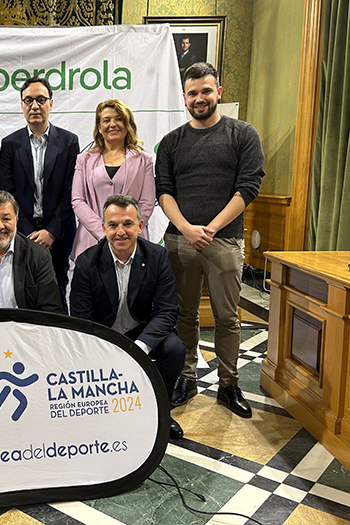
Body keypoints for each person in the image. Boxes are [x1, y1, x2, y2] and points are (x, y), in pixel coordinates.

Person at [155, 62, 265, 418]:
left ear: (218, 92)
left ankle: (229, 384)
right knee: (184, 315)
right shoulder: (171, 142)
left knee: (227, 317)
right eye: (192, 93)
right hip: (180, 241)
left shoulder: (243, 134)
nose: (199, 98)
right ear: (184, 97)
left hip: (225, 241)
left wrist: (211, 228)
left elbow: (248, 187)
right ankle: (186, 378)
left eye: (205, 91)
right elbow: (163, 191)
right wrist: (187, 228)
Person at [71, 194, 186, 439]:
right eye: (113, 225)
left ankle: (160, 411)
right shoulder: (86, 263)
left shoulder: (157, 257)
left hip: (141, 333)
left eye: (128, 224)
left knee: (174, 348)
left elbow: (167, 310)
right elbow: (81, 319)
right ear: (103, 228)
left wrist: (141, 346)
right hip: (102, 335)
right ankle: (102, 412)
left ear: (140, 226)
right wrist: (108, 347)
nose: (120, 231)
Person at [0, 76, 79, 313]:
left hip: (59, 232)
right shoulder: (10, 144)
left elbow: (71, 192)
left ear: (51, 103)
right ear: (22, 105)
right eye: (28, 100)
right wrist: (29, 233)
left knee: (57, 291)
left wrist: (51, 232)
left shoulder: (69, 141)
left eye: (41, 100)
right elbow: (7, 194)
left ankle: (58, 335)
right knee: (22, 291)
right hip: (22, 232)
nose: (34, 106)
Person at [71, 99, 155, 261]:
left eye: (119, 119)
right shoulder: (83, 160)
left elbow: (147, 202)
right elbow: (77, 200)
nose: (113, 124)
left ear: (127, 124)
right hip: (91, 240)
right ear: (99, 127)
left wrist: (128, 230)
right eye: (106, 120)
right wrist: (104, 232)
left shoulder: (144, 160)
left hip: (131, 241)